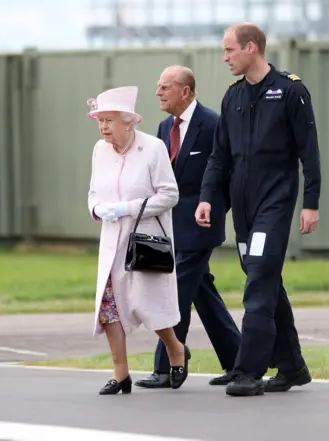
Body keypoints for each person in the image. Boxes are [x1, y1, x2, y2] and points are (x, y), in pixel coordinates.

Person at [195, 22, 322, 397]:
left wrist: (310, 204)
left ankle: (247, 370)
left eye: (230, 50)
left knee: (259, 280)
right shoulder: (232, 97)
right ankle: (292, 366)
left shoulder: (290, 90)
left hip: (276, 202)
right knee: (264, 278)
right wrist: (208, 197)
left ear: (251, 48)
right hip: (244, 209)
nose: (225, 57)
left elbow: (309, 153)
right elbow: (220, 157)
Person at [135, 66, 242, 390]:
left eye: (165, 86)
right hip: (168, 226)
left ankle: (167, 366)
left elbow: (227, 172)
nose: (158, 92)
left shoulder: (212, 124)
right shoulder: (165, 126)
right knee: (202, 294)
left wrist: (214, 210)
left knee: (175, 292)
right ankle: (239, 362)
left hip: (199, 227)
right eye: (158, 86)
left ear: (186, 91)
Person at [86, 85, 191, 395]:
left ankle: (175, 349)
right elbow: (93, 192)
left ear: (129, 121)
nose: (103, 127)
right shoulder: (99, 150)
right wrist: (97, 209)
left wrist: (128, 209)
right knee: (110, 309)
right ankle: (121, 374)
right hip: (111, 243)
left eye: (109, 120)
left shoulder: (154, 148)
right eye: (99, 121)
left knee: (149, 306)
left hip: (145, 241)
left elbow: (170, 195)